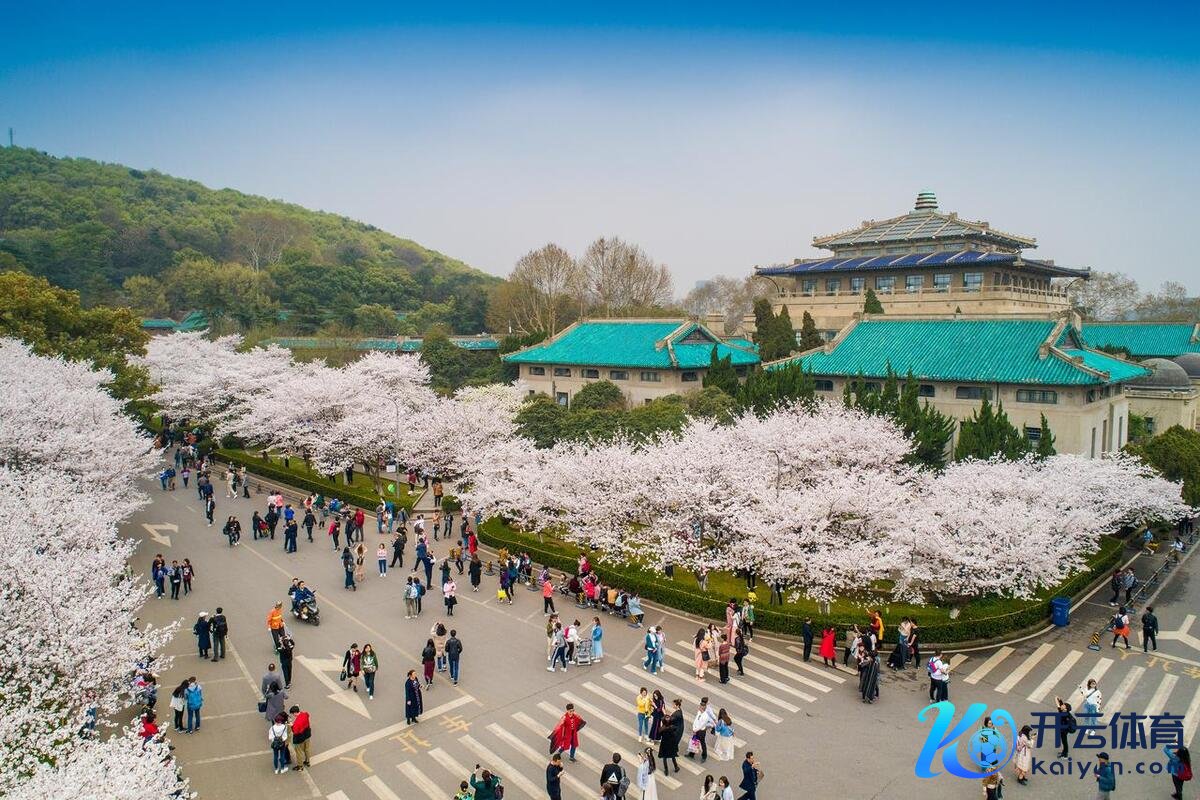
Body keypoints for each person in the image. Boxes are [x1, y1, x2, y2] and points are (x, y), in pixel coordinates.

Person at [658, 698, 684, 775]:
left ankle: (666, 771)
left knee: (665, 757)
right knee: (672, 755)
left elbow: (660, 733)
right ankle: (676, 767)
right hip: (672, 742)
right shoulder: (673, 728)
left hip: (665, 743)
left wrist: (664, 712)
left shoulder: (663, 729)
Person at [688, 696, 716, 763]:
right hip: (696, 730)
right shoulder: (699, 712)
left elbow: (701, 725)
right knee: (694, 741)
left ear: (703, 708)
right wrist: (694, 728)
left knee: (702, 743)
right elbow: (696, 720)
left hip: (701, 731)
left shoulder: (706, 716)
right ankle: (691, 754)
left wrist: (695, 730)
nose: (699, 707)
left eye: (700, 707)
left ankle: (704, 756)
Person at [289, 704, 311, 771]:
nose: (293, 715)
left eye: (293, 714)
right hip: (307, 734)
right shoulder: (305, 714)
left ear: (295, 712)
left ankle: (300, 766)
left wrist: (292, 725)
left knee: (299, 752)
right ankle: (307, 761)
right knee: (307, 748)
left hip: (300, 738)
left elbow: (295, 731)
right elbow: (307, 715)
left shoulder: (297, 722)